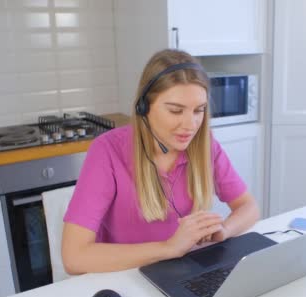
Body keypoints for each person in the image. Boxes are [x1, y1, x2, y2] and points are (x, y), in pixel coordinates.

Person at [61, 49, 260, 274]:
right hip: (126, 277)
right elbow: (74, 258)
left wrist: (224, 230)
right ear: (144, 107)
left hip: (184, 272)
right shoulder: (107, 150)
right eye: (176, 111)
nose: (191, 124)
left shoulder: (205, 145)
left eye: (199, 110)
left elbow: (249, 207)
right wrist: (168, 248)